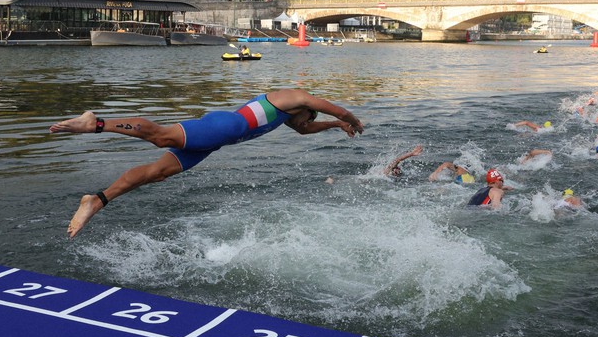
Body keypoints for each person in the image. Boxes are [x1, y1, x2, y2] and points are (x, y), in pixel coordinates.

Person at [50, 88, 364, 238]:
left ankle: (97, 200)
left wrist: (336, 127)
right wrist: (349, 119)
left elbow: (306, 129)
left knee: (157, 173)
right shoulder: (294, 98)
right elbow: (330, 107)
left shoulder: (289, 119)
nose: (304, 123)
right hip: (221, 128)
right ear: (303, 110)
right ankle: (96, 123)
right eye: (307, 119)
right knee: (161, 136)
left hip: (215, 142)